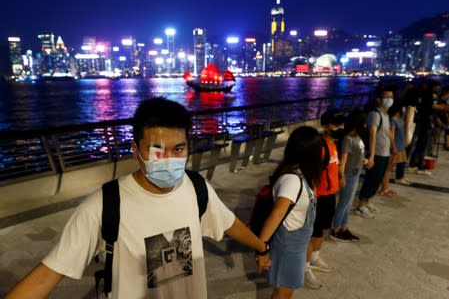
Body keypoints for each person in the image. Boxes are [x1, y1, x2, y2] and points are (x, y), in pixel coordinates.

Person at [6, 98, 270, 299]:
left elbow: (228, 223)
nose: (169, 159)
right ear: (135, 150)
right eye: (157, 150)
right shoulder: (104, 204)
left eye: (178, 149)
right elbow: (47, 275)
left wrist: (261, 247)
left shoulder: (196, 187)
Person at [258, 126, 322, 299]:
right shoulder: (292, 181)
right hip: (288, 248)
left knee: (285, 292)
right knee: (283, 294)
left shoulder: (304, 176)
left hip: (296, 246)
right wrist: (262, 250)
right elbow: (277, 214)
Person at [304, 109, 344, 289]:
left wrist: (340, 177)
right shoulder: (320, 147)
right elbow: (312, 174)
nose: (340, 127)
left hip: (331, 194)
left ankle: (315, 258)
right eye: (336, 124)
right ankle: (304, 269)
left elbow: (334, 166)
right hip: (320, 196)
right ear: (325, 126)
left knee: (323, 230)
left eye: (341, 124)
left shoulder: (333, 144)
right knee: (313, 234)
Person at [355, 86, 396, 219]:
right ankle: (361, 205)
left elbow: (388, 131)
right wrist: (371, 156)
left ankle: (368, 202)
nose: (390, 100)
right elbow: (372, 134)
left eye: (391, 97)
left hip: (384, 152)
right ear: (379, 99)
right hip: (377, 153)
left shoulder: (386, 114)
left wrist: (393, 146)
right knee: (371, 180)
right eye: (387, 97)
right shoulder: (375, 114)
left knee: (377, 179)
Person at [330, 109, 366, 242]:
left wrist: (363, 160)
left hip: (356, 174)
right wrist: (342, 177)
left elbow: (358, 154)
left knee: (348, 203)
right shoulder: (348, 139)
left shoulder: (357, 137)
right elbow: (343, 161)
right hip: (349, 175)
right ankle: (336, 228)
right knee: (343, 203)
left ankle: (344, 227)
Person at [381, 102, 410, 192]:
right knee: (388, 169)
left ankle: (386, 187)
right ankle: (384, 188)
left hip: (398, 147)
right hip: (395, 148)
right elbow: (392, 135)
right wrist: (393, 147)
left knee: (390, 169)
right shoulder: (393, 120)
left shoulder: (397, 120)